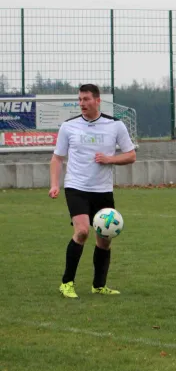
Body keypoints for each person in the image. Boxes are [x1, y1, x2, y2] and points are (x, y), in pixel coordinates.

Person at [49, 83, 136, 299]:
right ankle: (67, 283)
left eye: (86, 99)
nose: (82, 103)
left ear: (97, 100)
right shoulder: (68, 126)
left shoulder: (115, 125)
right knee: (82, 231)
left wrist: (110, 159)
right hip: (76, 187)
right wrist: (54, 184)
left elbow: (131, 155)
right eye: (80, 99)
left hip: (103, 190)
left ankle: (99, 285)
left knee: (104, 239)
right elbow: (57, 158)